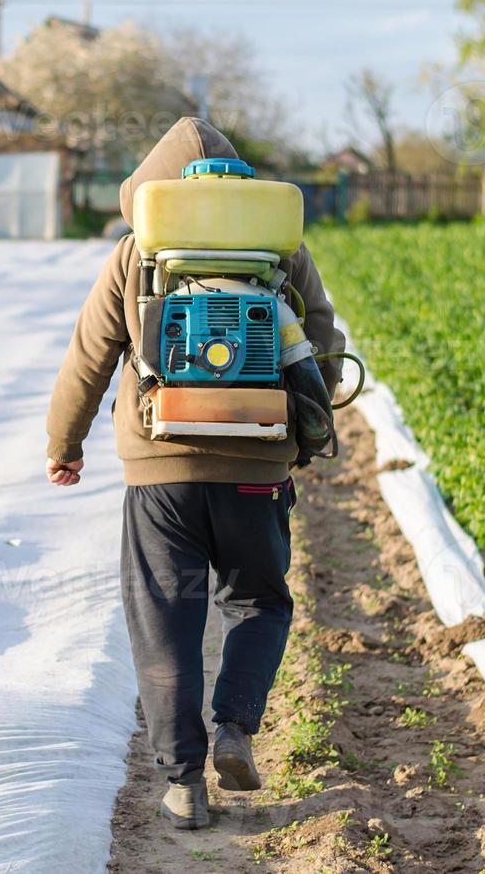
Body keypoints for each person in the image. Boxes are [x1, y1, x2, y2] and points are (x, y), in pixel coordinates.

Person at [44, 118, 345, 830]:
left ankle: (183, 781)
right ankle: (235, 728)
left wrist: (66, 442)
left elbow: (90, 355)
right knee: (260, 602)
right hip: (256, 465)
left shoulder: (136, 254)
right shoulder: (281, 251)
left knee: (165, 620)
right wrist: (294, 443)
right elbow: (324, 347)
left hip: (160, 472)